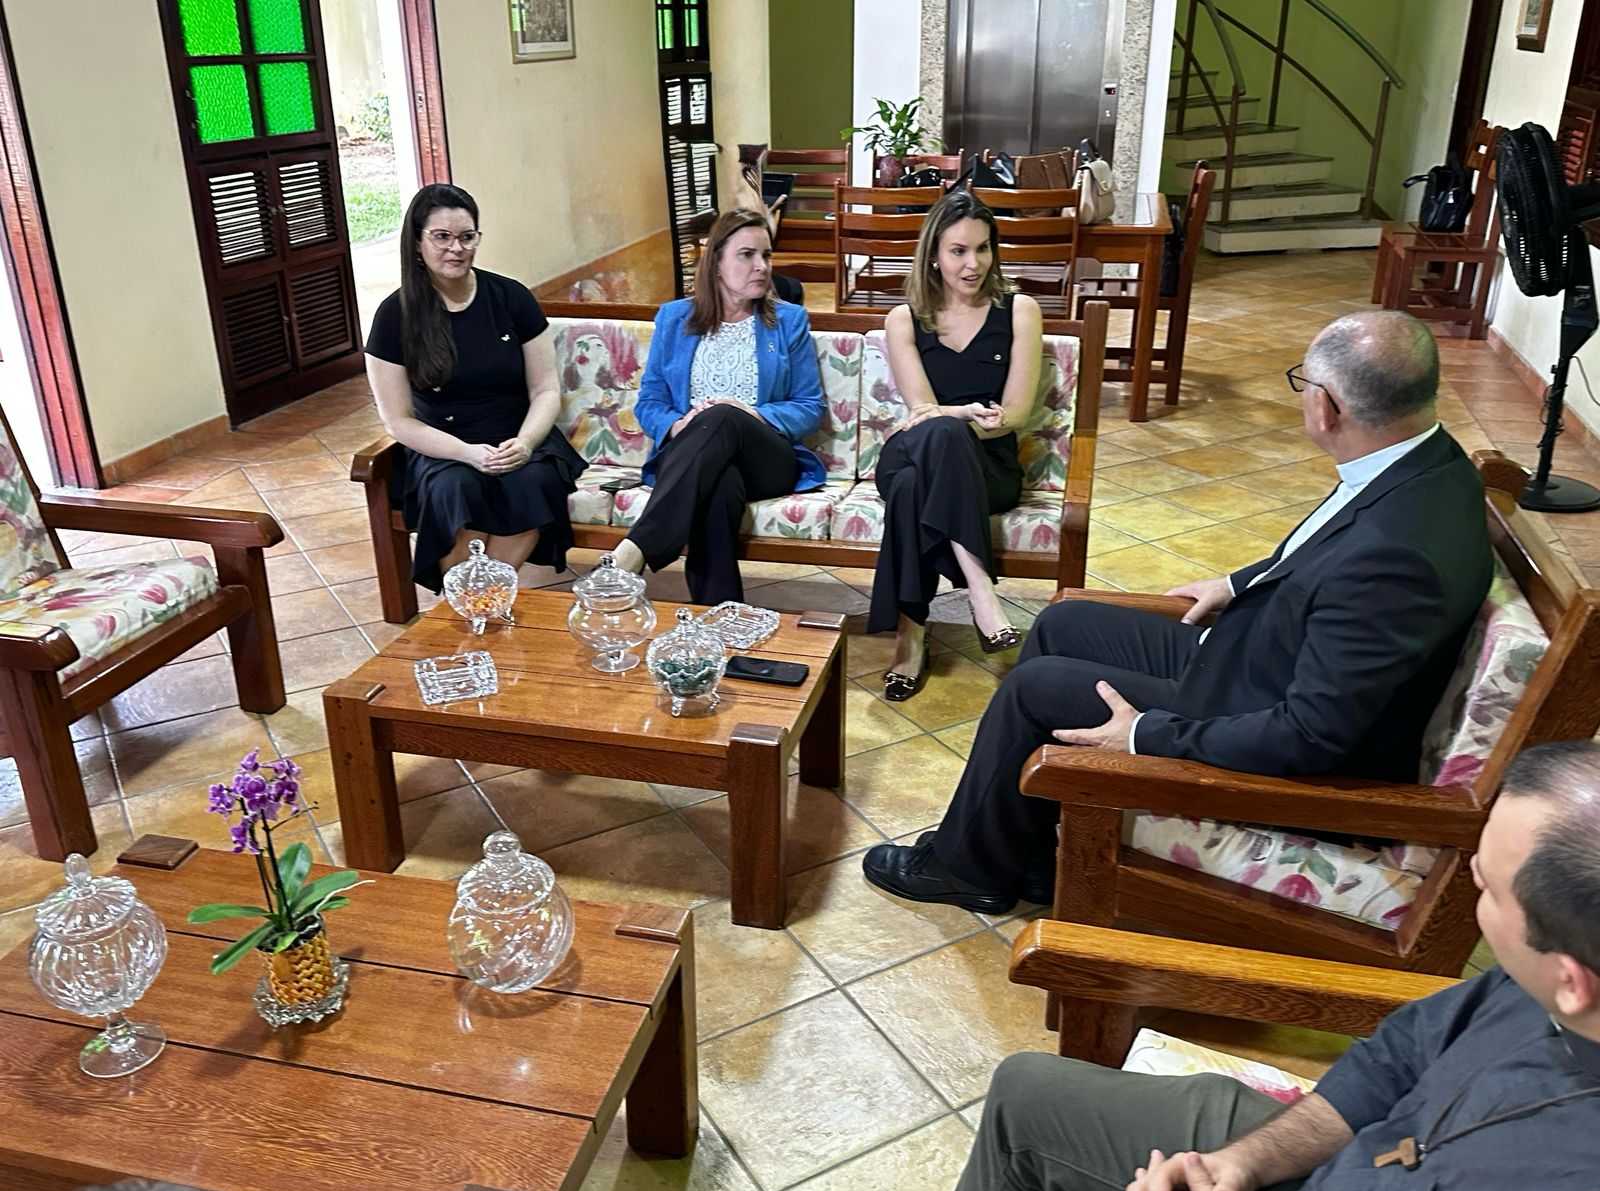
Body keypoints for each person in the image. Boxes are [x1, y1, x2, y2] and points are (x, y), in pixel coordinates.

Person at [864, 310, 1492, 913]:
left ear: (1327, 408)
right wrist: (1240, 581)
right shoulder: (1427, 466)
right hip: (1261, 658)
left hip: (1269, 730)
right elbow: (1331, 554)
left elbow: (1309, 736)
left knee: (1034, 690)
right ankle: (1023, 844)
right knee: (1062, 621)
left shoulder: (1395, 559)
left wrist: (1142, 734)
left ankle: (966, 869)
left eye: (1303, 384)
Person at [953, 739, 1600, 1191]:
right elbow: (1397, 1060)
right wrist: (1244, 1162)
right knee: (1027, 1094)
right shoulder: (1534, 984)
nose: (1474, 883)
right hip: (1355, 1155)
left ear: (1572, 982)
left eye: (1486, 889)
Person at [365, 184, 585, 592]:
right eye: (442, 237)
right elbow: (397, 420)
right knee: (457, 488)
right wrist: (466, 453)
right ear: (416, 241)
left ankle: (479, 605)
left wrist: (525, 441)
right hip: (444, 445)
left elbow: (545, 390)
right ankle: (476, 606)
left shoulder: (510, 297)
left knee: (531, 483)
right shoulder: (395, 315)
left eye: (467, 237)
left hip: (517, 437)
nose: (456, 249)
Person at [869, 189, 1044, 701]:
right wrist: (962, 413)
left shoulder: (1020, 311)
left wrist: (959, 421)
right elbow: (922, 411)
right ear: (934, 254)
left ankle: (910, 640)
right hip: (918, 444)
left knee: (909, 488)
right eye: (958, 251)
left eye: (983, 249)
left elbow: (1016, 413)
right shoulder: (905, 319)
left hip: (987, 465)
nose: (973, 264)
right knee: (939, 434)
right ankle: (982, 593)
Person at [609, 209, 826, 604]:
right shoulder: (675, 318)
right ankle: (720, 621)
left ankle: (635, 549)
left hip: (768, 459)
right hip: (699, 459)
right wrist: (680, 425)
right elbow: (651, 401)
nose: (762, 266)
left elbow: (809, 406)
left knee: (723, 415)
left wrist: (749, 414)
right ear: (717, 262)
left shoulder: (788, 320)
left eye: (767, 255)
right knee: (718, 486)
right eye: (747, 255)